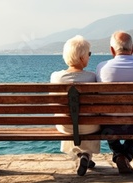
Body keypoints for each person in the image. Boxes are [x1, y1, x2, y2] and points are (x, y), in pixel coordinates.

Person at [95, 31, 133, 174]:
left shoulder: (101, 67)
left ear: (111, 50)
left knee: (105, 118)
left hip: (109, 127)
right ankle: (125, 155)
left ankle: (119, 154)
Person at [51, 35, 100, 176]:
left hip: (64, 125)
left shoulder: (56, 77)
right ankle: (86, 155)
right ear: (82, 58)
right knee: (90, 120)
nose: (90, 57)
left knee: (72, 120)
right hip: (89, 126)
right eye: (89, 54)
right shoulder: (92, 77)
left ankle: (82, 156)